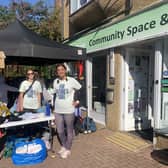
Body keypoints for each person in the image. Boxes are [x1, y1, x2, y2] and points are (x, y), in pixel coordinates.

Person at [53, 63, 81, 159]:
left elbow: (81, 89)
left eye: (62, 69)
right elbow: (54, 94)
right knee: (60, 131)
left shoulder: (72, 80)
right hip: (57, 110)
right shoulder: (55, 81)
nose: (60, 71)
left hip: (69, 110)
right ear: (57, 72)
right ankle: (64, 146)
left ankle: (67, 149)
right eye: (58, 70)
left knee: (69, 130)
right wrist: (53, 107)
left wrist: (77, 101)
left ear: (65, 71)